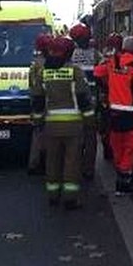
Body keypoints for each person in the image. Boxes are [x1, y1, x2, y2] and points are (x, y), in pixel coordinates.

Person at [31, 36, 94, 209]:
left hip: (51, 126)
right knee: (71, 163)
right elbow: (84, 99)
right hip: (73, 127)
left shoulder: (43, 72)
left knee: (52, 161)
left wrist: (38, 122)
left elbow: (37, 100)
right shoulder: (75, 71)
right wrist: (90, 121)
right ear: (69, 53)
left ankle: (52, 195)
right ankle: (70, 199)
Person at [94, 37, 133, 194]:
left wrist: (110, 83)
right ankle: (123, 176)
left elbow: (97, 72)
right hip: (131, 113)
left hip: (114, 113)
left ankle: (121, 173)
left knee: (117, 144)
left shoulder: (112, 61)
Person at [68, 23, 100, 181]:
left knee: (76, 138)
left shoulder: (69, 56)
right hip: (91, 104)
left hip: (74, 103)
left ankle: (75, 166)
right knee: (90, 138)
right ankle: (88, 169)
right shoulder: (96, 55)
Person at [94, 33, 123, 162]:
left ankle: (108, 150)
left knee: (106, 124)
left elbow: (98, 74)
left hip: (107, 96)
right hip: (120, 97)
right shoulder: (126, 57)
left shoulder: (105, 58)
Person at [27, 33, 53, 175]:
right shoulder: (53, 63)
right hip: (50, 102)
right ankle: (47, 163)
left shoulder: (35, 63)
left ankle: (34, 163)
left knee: (37, 133)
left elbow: (31, 85)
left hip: (37, 102)